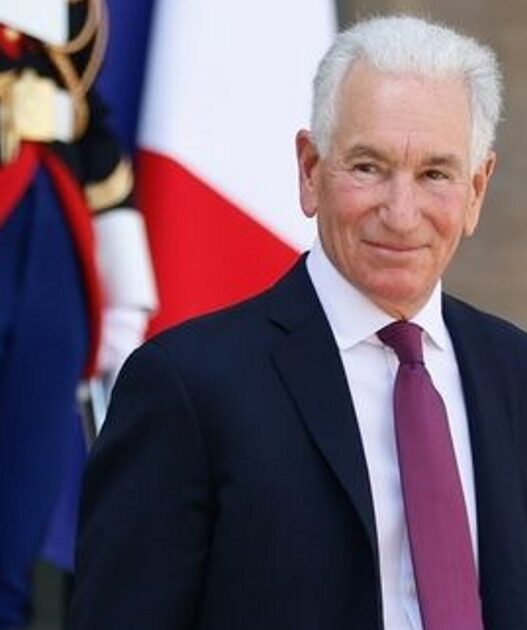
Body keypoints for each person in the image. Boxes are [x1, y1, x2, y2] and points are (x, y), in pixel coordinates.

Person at [70, 15, 527, 630]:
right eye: (368, 166)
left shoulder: (515, 374)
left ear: (476, 189)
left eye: (435, 175)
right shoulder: (185, 388)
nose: (401, 213)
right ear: (310, 169)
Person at [0, 0, 156, 627]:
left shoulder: (64, 24)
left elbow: (93, 137)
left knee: (12, 549)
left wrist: (127, 303)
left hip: (50, 256)